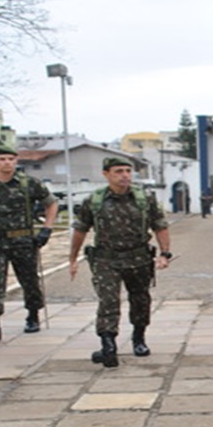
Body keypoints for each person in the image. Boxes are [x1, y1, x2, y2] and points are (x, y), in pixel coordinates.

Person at [68, 157, 172, 368]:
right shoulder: (94, 201)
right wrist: (73, 259)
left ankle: (139, 337)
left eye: (127, 171)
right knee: (108, 301)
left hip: (139, 258)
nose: (124, 175)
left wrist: (165, 253)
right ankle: (108, 345)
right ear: (106, 174)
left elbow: (159, 226)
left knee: (140, 300)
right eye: (118, 171)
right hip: (106, 259)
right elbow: (80, 230)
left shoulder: (144, 199)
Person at [0, 144, 58, 342]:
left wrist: (46, 229)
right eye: (2, 159)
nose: (6, 163)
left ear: (16, 161)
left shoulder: (29, 183)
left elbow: (51, 203)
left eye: (10, 159)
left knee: (29, 280)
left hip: (22, 239)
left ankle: (33, 315)